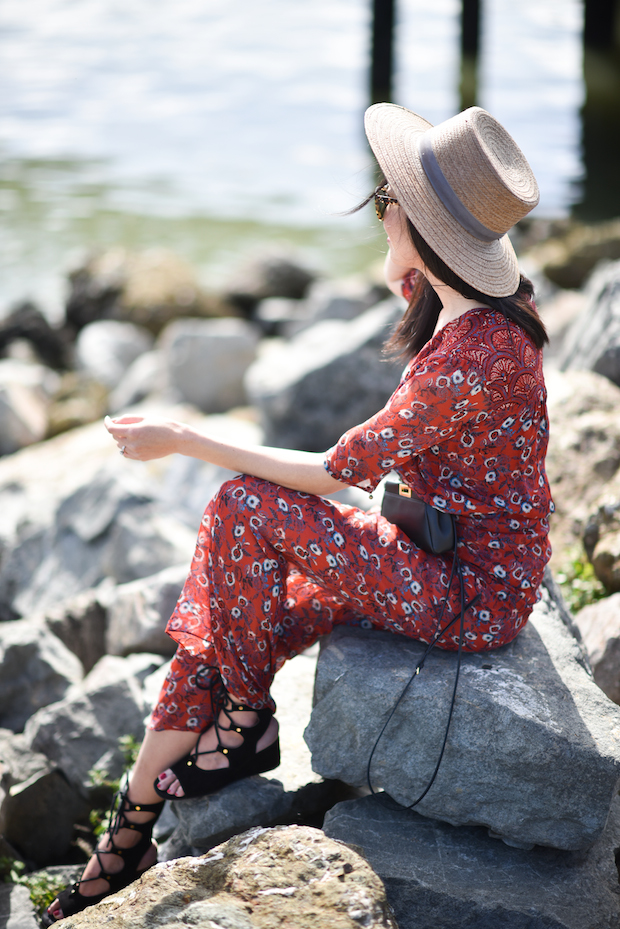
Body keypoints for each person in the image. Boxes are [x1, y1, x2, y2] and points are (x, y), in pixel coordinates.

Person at [44, 102, 553, 924]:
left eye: (391, 202)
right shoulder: (482, 315)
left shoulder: (468, 360)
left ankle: (245, 723)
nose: (380, 208)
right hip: (430, 547)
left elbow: (330, 472)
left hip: (468, 588)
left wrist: (182, 436)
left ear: (424, 230)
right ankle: (130, 832)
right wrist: (414, 273)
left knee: (242, 506)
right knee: (230, 622)